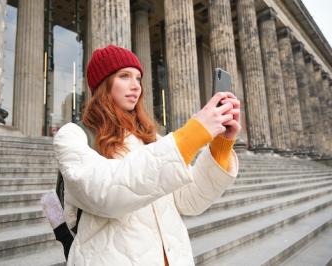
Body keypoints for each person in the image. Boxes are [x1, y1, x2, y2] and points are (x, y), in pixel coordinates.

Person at [53, 44, 240, 266]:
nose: (136, 86)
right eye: (124, 76)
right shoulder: (73, 135)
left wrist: (221, 146)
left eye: (138, 78)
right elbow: (106, 191)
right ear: (103, 84)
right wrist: (191, 135)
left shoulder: (153, 140)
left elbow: (190, 201)